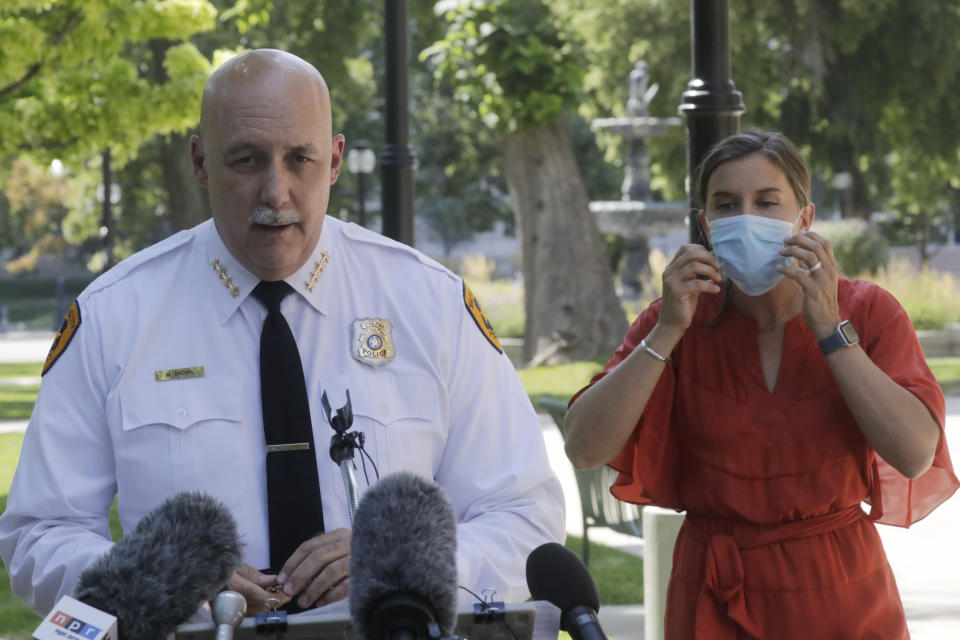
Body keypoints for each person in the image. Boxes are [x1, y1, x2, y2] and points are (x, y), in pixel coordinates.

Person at [0, 49, 564, 617]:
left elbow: (523, 514)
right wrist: (162, 581)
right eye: (246, 160)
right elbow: (40, 533)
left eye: (301, 159)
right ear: (200, 161)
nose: (276, 192)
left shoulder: (430, 305)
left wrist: (404, 564)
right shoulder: (114, 317)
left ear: (336, 160)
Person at [564, 129, 958, 638]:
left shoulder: (867, 311)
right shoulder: (679, 317)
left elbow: (914, 454)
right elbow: (583, 446)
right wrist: (667, 331)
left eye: (767, 203)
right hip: (712, 586)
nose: (745, 219)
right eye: (726, 205)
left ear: (805, 219)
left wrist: (830, 332)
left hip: (836, 586)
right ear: (706, 226)